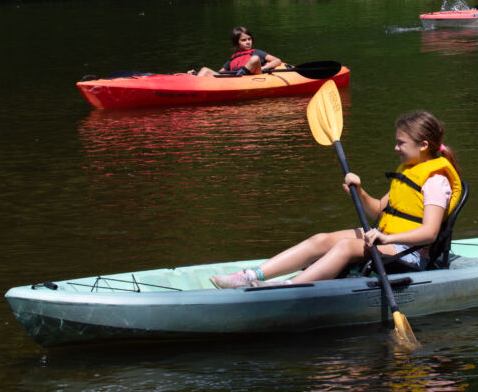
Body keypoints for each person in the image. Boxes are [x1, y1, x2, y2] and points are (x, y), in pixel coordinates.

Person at [209, 110, 464, 288]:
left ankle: (289, 288)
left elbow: (429, 233)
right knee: (321, 239)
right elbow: (378, 211)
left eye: (401, 143)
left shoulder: (436, 181)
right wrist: (360, 191)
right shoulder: (409, 172)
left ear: (423, 145)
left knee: (345, 247)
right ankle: (252, 275)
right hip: (389, 241)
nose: (396, 148)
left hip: (410, 254)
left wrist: (388, 237)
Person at [193, 26, 283, 77]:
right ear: (237, 43)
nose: (248, 42)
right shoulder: (234, 57)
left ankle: (241, 74)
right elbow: (220, 72)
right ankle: (193, 84)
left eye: (249, 39)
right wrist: (194, 75)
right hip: (234, 79)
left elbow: (277, 60)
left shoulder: (256, 52)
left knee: (255, 59)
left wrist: (263, 68)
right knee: (205, 70)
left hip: (252, 77)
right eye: (244, 40)